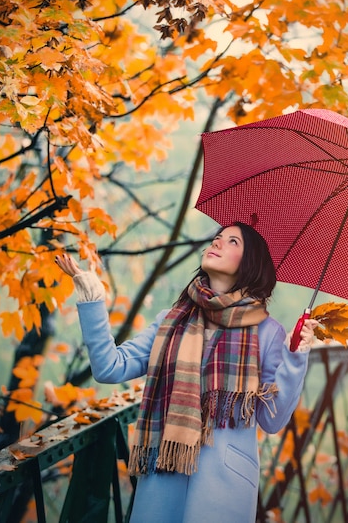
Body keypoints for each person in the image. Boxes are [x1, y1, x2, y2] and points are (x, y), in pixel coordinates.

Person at [55, 222, 317, 523]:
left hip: (224, 486)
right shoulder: (171, 321)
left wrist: (296, 356)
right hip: (164, 475)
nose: (217, 242)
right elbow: (109, 366)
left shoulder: (267, 333)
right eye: (217, 237)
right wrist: (92, 299)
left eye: (232, 241)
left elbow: (273, 420)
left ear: (250, 263)